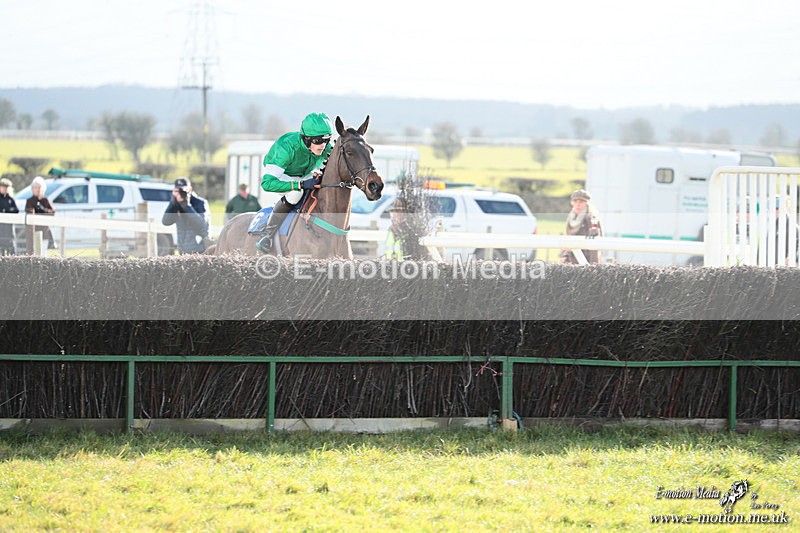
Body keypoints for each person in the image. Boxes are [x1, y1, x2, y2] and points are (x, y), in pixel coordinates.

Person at [255, 112, 334, 253]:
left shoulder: (324, 147)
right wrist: (300, 184)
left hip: (303, 173)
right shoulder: (286, 148)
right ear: (306, 139)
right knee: (296, 193)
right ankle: (267, 235)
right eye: (317, 141)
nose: (322, 145)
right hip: (281, 175)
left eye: (326, 140)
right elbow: (266, 183)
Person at [161, 177, 210, 254]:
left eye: (183, 190)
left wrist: (187, 206)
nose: (181, 193)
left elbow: (201, 225)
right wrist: (172, 203)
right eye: (177, 190)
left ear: (190, 189)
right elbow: (166, 222)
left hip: (200, 249)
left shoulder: (200, 203)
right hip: (182, 249)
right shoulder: (176, 203)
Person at [560, 189, 603, 264]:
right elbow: (567, 239)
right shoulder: (571, 218)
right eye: (575, 201)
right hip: (571, 261)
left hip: (586, 261)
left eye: (581, 202)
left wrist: (593, 265)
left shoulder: (592, 219)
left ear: (586, 203)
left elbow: (595, 246)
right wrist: (564, 256)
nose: (578, 204)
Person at [24, 176, 56, 254]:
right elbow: (28, 211)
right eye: (35, 188)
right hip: (34, 230)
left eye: (39, 187)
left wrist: (43, 210)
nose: (37, 189)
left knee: (44, 252)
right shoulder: (30, 201)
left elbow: (52, 212)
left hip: (44, 229)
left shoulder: (45, 200)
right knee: (34, 252)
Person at [0, 177, 19, 255]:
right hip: (1, 226)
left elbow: (16, 210)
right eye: (3, 187)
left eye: (7, 187)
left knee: (10, 245)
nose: (5, 189)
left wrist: (8, 211)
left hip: (9, 228)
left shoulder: (10, 199)